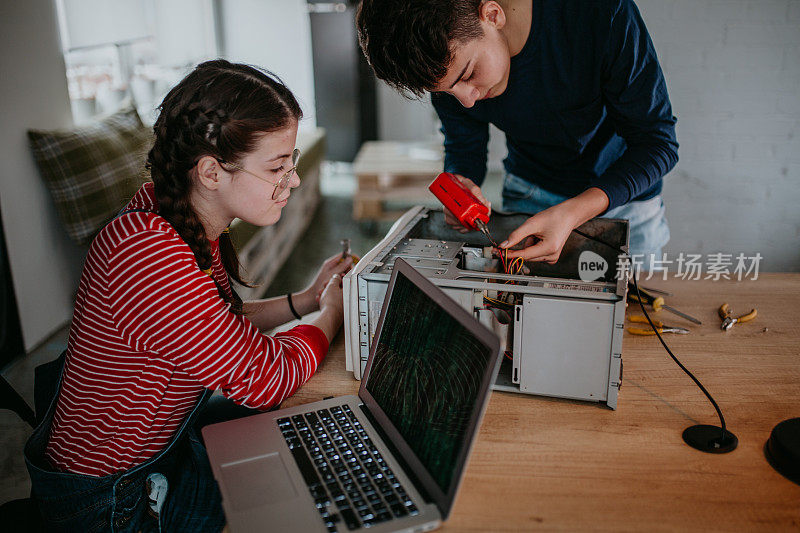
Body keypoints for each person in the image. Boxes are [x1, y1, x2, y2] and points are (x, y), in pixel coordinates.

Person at [24, 60, 352, 532]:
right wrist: (332, 315)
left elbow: (219, 324)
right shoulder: (148, 253)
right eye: (278, 166)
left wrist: (306, 300)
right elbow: (267, 376)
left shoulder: (171, 216)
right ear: (212, 172)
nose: (293, 180)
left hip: (155, 452)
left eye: (292, 161)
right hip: (107, 498)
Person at [357, 0, 679, 265]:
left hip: (625, 199)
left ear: (492, 14)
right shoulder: (443, 59)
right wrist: (460, 183)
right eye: (446, 92)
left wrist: (574, 212)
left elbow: (658, 143)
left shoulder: (601, 12)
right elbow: (463, 144)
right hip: (529, 194)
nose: (467, 101)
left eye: (468, 75)